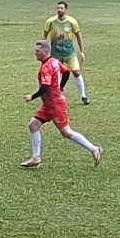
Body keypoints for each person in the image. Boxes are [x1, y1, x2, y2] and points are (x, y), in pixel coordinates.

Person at [20, 40, 103, 168]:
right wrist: (60, 87)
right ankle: (36, 157)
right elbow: (66, 72)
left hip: (54, 104)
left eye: (37, 51)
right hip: (49, 104)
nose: (35, 53)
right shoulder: (54, 61)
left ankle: (94, 149)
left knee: (67, 132)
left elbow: (45, 87)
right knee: (33, 125)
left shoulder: (46, 67)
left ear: (45, 51)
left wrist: (32, 96)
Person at [42, 1, 89, 105]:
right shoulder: (51, 22)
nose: (59, 10)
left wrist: (81, 51)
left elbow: (78, 36)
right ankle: (57, 94)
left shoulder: (72, 22)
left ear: (65, 10)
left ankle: (83, 96)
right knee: (56, 74)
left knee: (76, 72)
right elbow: (44, 35)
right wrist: (43, 49)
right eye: (58, 8)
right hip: (56, 54)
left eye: (61, 8)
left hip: (69, 53)